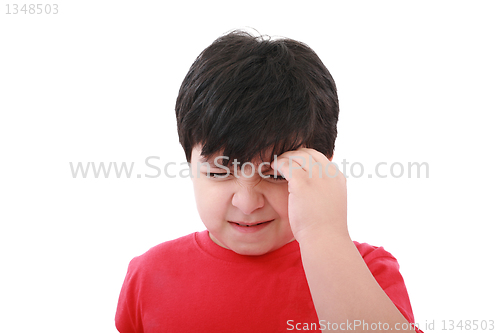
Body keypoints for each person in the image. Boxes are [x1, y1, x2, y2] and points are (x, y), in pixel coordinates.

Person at [115, 30, 423, 333]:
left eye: (276, 175)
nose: (247, 203)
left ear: (322, 170)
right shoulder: (148, 275)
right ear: (190, 164)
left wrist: (325, 233)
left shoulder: (366, 271)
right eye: (219, 172)